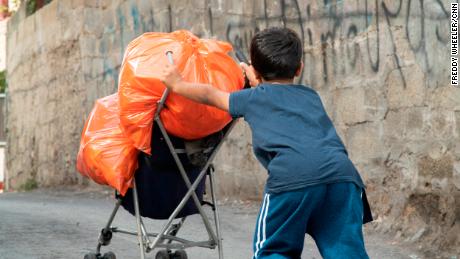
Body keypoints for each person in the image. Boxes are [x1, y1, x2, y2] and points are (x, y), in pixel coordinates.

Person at [159, 27, 372, 259]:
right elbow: (279, 96)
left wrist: (178, 84)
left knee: (274, 249)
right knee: (346, 250)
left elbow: (211, 95)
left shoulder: (252, 98)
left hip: (292, 179)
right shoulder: (310, 96)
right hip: (344, 177)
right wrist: (259, 80)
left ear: (255, 70)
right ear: (299, 68)